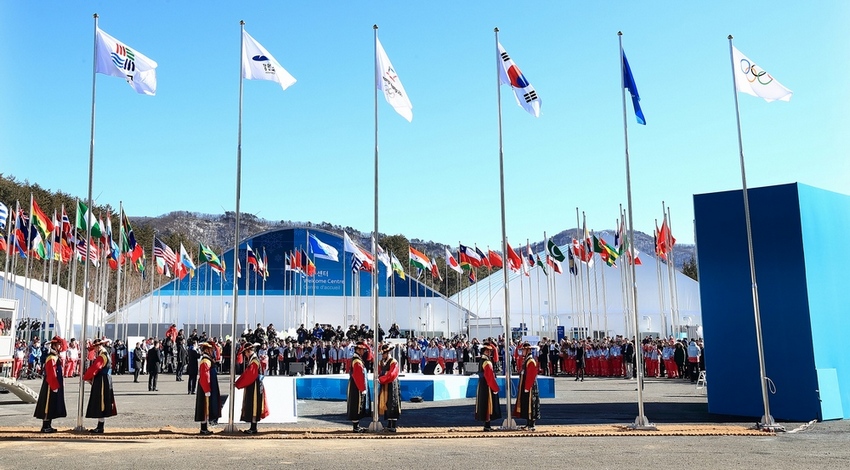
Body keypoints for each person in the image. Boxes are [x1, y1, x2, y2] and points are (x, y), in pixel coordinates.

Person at [34, 336, 68, 433]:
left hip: (54, 383)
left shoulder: (55, 356)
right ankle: (45, 425)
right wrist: (54, 385)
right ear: (54, 345)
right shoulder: (51, 357)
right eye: (58, 345)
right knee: (48, 403)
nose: (59, 347)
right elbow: (51, 373)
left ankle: (48, 424)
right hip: (50, 384)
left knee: (52, 403)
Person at [83, 339, 117, 433]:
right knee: (101, 402)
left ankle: (100, 427)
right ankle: (100, 425)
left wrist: (86, 376)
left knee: (100, 402)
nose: (95, 349)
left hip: (102, 380)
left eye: (96, 347)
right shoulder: (105, 354)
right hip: (105, 379)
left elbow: (95, 367)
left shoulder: (102, 356)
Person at [234, 342, 268, 434]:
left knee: (254, 405)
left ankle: (253, 428)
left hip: (254, 386)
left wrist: (238, 383)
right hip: (255, 385)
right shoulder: (253, 359)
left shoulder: (254, 361)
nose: (245, 354)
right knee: (253, 405)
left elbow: (249, 375)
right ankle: (253, 427)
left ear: (248, 351)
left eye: (245, 352)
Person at [195, 342, 222, 435]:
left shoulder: (208, 359)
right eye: (211, 349)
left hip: (209, 386)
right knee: (204, 407)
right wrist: (206, 389)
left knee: (207, 406)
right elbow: (205, 376)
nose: (212, 351)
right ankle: (203, 428)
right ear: (207, 350)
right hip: (205, 387)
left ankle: (205, 427)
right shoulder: (205, 360)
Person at [513, 342, 540, 431]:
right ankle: (528, 422)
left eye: (523, 350)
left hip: (530, 387)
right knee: (526, 404)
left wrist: (527, 387)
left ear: (528, 350)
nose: (522, 352)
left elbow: (531, 376)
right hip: (525, 385)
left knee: (531, 405)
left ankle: (532, 424)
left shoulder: (531, 361)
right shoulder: (527, 360)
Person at [474, 343, 501, 431]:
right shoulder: (487, 362)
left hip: (482, 384)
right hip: (487, 385)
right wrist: (495, 388)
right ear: (486, 351)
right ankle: (487, 425)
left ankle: (487, 425)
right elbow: (489, 376)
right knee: (488, 405)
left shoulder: (482, 360)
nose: (490, 352)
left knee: (484, 404)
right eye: (489, 351)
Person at [346, 341, 371, 433]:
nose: (363, 351)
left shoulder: (357, 359)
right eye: (362, 350)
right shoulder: (357, 361)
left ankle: (356, 425)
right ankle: (356, 426)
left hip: (356, 385)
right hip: (356, 386)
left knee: (356, 403)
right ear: (358, 350)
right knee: (356, 404)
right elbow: (358, 375)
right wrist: (362, 388)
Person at [377, 343, 401, 432]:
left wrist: (381, 379)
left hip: (391, 385)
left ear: (388, 353)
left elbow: (392, 374)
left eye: (384, 353)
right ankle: (389, 424)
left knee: (392, 402)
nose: (382, 355)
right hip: (385, 384)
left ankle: (393, 425)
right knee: (386, 403)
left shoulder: (393, 362)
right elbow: (380, 371)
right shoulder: (382, 362)